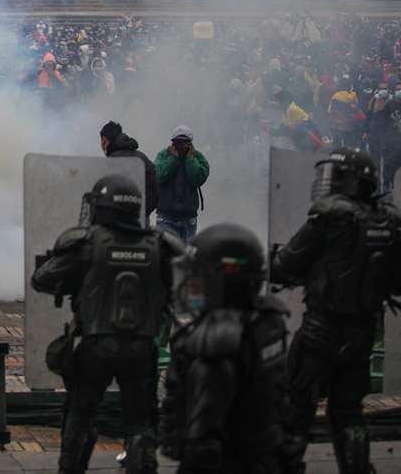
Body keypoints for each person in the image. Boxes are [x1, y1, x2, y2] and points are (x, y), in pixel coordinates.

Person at [30, 174, 183, 474]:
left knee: (80, 413)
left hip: (95, 347)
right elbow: (186, 287)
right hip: (142, 348)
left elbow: (42, 279)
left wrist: (79, 280)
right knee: (140, 421)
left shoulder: (87, 244)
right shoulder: (161, 246)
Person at [271, 147, 401, 474]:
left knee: (296, 407)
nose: (331, 183)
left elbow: (285, 264)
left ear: (356, 182)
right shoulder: (389, 222)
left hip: (320, 330)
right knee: (348, 413)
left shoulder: (331, 216)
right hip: (362, 333)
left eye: (339, 178)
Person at [159, 223, 296, 473]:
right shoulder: (266, 323)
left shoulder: (217, 343)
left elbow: (204, 439)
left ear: (221, 281)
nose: (192, 286)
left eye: (199, 278)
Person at [153, 125, 210, 242]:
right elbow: (158, 175)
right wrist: (173, 159)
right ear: (172, 143)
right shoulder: (164, 155)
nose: (181, 145)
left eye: (185, 142)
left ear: (191, 143)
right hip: (166, 216)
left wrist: (190, 160)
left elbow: (198, 179)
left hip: (188, 217)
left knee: (187, 251)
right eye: (178, 142)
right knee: (165, 250)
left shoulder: (197, 157)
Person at [100, 121, 158, 221]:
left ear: (104, 140)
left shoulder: (111, 162)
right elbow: (154, 189)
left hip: (116, 220)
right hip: (140, 220)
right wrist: (142, 211)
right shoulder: (141, 158)